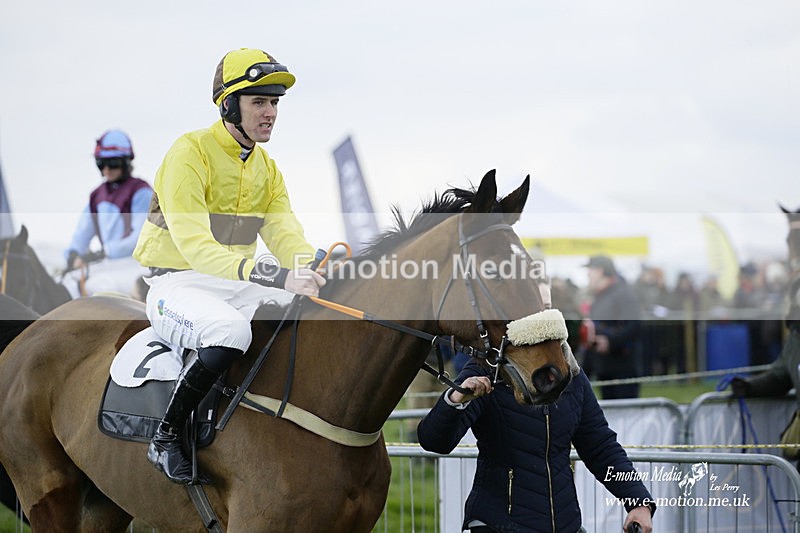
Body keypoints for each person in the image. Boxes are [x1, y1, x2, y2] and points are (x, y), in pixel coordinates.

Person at [133, 48, 326, 484]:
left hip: (234, 283)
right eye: (259, 102)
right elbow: (197, 249)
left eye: (274, 102)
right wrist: (276, 275)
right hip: (177, 284)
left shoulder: (267, 169)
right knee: (232, 332)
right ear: (228, 106)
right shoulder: (188, 153)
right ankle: (165, 436)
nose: (270, 112)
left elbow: (286, 236)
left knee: (307, 310)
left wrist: (314, 267)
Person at [416, 309, 655, 533]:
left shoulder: (571, 375)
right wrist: (455, 399)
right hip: (498, 525)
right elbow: (434, 440)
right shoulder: (486, 369)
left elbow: (600, 446)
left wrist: (637, 501)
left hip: (566, 524)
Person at [63, 130, 153, 299]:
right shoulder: (96, 196)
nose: (106, 169)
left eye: (112, 163)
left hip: (135, 264)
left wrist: (103, 252)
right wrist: (73, 254)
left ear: (126, 161)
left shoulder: (141, 192)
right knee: (65, 283)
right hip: (107, 264)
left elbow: (139, 239)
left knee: (98, 286)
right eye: (101, 163)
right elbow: (81, 235)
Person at [580, 255, 644, 399]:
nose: (588, 274)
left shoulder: (623, 294)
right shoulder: (599, 297)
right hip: (604, 368)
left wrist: (610, 341)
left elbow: (634, 326)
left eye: (590, 270)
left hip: (623, 370)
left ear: (600, 271)